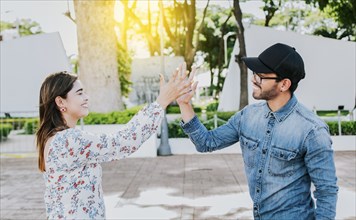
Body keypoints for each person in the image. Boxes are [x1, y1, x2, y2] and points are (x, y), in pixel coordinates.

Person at [177, 43, 338, 219]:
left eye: (261, 76)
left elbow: (326, 192)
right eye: (254, 73)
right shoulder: (247, 116)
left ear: (284, 84)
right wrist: (185, 104)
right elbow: (206, 142)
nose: (253, 79)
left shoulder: (312, 130)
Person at [36, 69, 192, 219]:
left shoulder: (53, 138)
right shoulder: (68, 140)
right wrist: (161, 102)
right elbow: (123, 142)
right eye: (79, 93)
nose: (86, 97)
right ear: (60, 101)